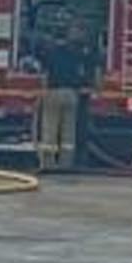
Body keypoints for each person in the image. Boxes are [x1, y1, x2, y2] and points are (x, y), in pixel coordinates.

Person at [31, 18, 94, 172]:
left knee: (50, 129)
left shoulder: (52, 53)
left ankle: (48, 163)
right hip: (72, 95)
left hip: (54, 93)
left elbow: (43, 70)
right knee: (68, 132)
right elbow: (84, 72)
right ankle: (66, 163)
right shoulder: (78, 53)